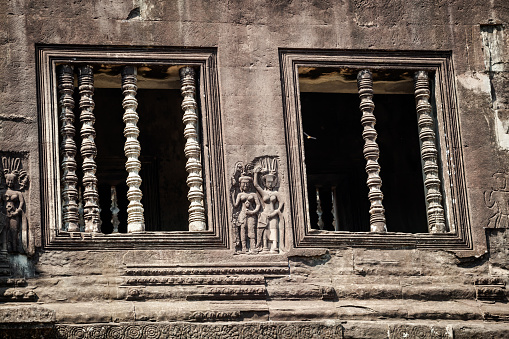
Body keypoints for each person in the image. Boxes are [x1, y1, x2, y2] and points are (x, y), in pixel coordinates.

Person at [254, 167, 284, 253]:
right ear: (265, 183)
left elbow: (281, 203)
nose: (270, 184)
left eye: (271, 182)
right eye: (268, 182)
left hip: (273, 213)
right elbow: (256, 185)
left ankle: (275, 247)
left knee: (274, 229)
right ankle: (265, 247)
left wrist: (276, 211)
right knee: (265, 231)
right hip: (265, 214)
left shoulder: (276, 193)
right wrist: (256, 173)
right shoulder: (264, 192)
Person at [232, 175, 260, 253]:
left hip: (251, 214)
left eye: (247, 183)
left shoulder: (253, 194)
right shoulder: (240, 195)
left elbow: (258, 205)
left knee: (251, 230)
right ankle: (244, 248)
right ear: (240, 184)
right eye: (243, 183)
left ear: (250, 184)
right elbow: (236, 205)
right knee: (243, 230)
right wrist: (232, 194)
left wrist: (253, 212)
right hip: (242, 214)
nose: (245, 185)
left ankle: (253, 247)